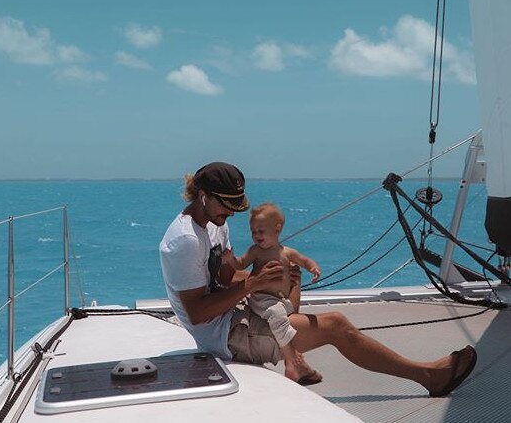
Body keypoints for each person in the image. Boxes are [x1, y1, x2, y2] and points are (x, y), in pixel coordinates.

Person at [159, 161, 477, 395]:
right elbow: (197, 314)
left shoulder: (216, 222)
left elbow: (227, 277)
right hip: (225, 336)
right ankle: (429, 377)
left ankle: (296, 362)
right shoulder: (185, 240)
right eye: (225, 205)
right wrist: (253, 283)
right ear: (201, 195)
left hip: (237, 313)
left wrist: (266, 276)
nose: (230, 213)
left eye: (234, 206)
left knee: (290, 295)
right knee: (335, 324)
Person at [224, 202, 323, 384]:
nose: (256, 235)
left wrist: (313, 268)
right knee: (278, 317)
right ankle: (291, 360)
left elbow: (304, 260)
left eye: (261, 231)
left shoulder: (286, 252)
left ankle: (296, 359)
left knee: (290, 312)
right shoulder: (256, 251)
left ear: (277, 230)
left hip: (279, 299)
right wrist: (230, 259)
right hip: (262, 299)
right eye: (253, 231)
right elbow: (241, 264)